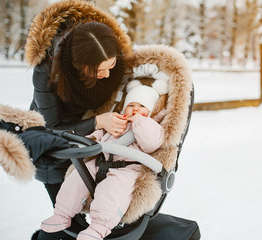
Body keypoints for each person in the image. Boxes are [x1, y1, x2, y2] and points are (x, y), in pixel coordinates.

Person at [24, 0, 133, 206]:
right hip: (54, 147)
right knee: (67, 216)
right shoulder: (46, 73)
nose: (107, 74)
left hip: (92, 149)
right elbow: (52, 128)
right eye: (100, 70)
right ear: (79, 65)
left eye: (111, 66)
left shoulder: (109, 52)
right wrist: (97, 122)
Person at [40, 81, 166, 240]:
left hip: (126, 169)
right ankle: (62, 214)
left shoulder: (151, 126)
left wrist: (141, 121)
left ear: (151, 110)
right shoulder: (118, 121)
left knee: (111, 192)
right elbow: (98, 135)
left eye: (141, 106)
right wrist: (88, 139)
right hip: (100, 162)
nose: (135, 109)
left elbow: (151, 144)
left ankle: (98, 228)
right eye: (131, 105)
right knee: (75, 179)